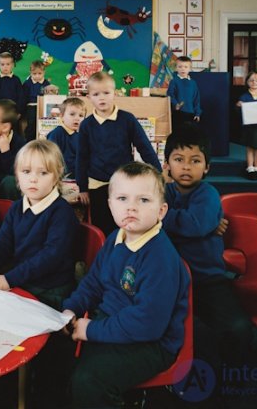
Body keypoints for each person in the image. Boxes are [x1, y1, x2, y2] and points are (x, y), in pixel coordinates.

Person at [62, 162, 189, 408]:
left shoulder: (160, 258)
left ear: (161, 211)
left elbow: (147, 324)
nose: (131, 206)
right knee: (54, 353)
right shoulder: (115, 238)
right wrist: (71, 310)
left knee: (88, 382)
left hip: (151, 343)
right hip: (112, 324)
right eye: (122, 198)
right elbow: (93, 283)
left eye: (143, 200)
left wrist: (91, 331)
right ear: (110, 205)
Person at [162, 124, 251, 368]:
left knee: (238, 327)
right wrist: (199, 225)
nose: (187, 166)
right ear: (167, 165)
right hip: (168, 281)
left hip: (207, 280)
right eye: (179, 159)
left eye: (195, 160)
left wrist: (163, 217)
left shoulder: (208, 193)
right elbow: (150, 224)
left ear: (207, 167)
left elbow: (194, 225)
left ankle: (231, 378)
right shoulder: (163, 193)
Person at [0, 139, 79, 310]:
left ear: (57, 175)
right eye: (26, 171)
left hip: (50, 290)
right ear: (17, 175)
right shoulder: (17, 207)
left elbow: (50, 258)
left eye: (43, 173)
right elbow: (1, 244)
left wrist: (8, 279)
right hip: (23, 281)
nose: (33, 179)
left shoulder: (62, 213)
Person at [76, 71, 161, 235]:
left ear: (114, 94)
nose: (101, 98)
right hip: (97, 184)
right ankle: (107, 257)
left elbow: (144, 147)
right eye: (96, 94)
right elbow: (82, 157)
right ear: (89, 97)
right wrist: (82, 187)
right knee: (102, 226)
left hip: (125, 182)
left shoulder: (127, 119)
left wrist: (158, 173)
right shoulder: (86, 125)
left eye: (106, 93)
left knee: (126, 223)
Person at [47, 97, 86, 180]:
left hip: (77, 175)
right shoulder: (58, 133)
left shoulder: (80, 135)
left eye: (81, 115)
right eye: (72, 114)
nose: (77, 118)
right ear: (61, 116)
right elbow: (51, 156)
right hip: (62, 176)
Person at [167, 56, 201, 132]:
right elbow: (170, 94)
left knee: (189, 134)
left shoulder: (193, 83)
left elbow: (196, 99)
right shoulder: (174, 81)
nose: (183, 69)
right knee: (178, 133)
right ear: (176, 68)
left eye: (186, 67)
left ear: (190, 68)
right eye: (180, 66)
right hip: (178, 113)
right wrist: (176, 104)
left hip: (190, 113)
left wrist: (197, 113)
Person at [22, 60, 50, 141]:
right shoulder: (27, 84)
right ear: (30, 73)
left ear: (44, 72)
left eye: (39, 73)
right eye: (34, 74)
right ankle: (29, 141)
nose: (37, 76)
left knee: (42, 124)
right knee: (31, 124)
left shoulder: (46, 83)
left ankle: (41, 141)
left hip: (43, 107)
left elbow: (49, 96)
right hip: (31, 107)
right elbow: (24, 97)